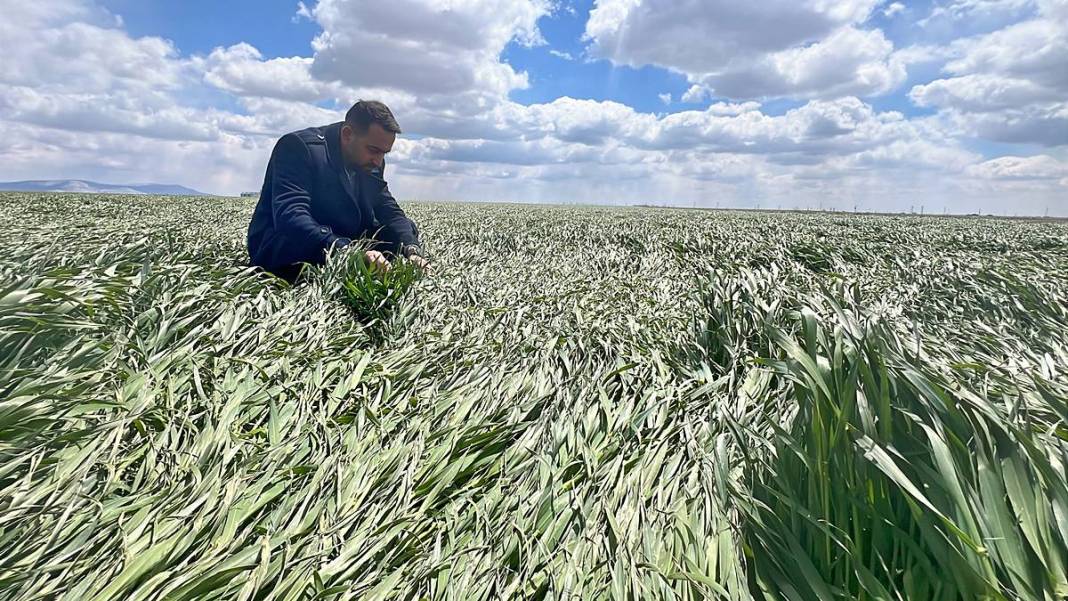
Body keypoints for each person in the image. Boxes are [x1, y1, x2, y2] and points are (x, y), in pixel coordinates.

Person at [247, 100, 428, 282]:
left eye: (384, 153)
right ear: (347, 134)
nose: (378, 161)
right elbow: (291, 217)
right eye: (373, 150)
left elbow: (388, 208)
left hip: (338, 235)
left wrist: (412, 250)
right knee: (297, 244)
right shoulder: (299, 147)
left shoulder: (370, 161)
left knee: (404, 229)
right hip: (289, 242)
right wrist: (348, 251)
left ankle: (364, 262)